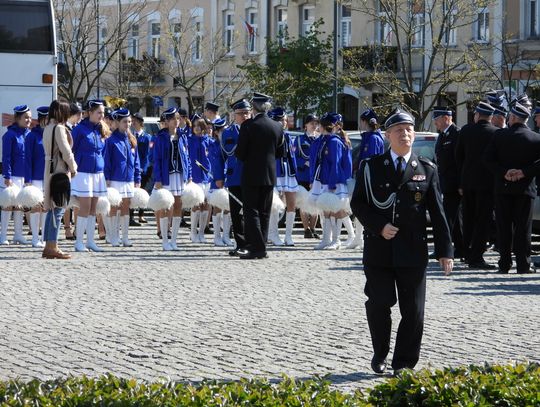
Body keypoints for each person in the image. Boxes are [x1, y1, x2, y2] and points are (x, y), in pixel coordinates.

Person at [350, 109, 453, 375]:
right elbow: (358, 204)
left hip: (413, 250)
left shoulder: (427, 169)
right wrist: (379, 226)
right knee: (379, 303)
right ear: (388, 136)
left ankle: (404, 363)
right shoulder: (371, 167)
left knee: (414, 311)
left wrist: (445, 250)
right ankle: (380, 352)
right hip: (379, 249)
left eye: (408, 130)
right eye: (398, 130)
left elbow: (439, 213)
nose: (405, 134)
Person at [484, 99, 540, 274]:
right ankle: (523, 264)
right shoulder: (536, 138)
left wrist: (504, 172)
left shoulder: (499, 136)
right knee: (523, 228)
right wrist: (524, 172)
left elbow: (487, 160)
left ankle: (504, 263)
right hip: (525, 189)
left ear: (514, 117)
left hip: (503, 188)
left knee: (504, 227)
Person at [235, 92, 284, 259]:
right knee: (265, 212)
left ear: (253, 107)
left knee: (251, 212)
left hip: (251, 174)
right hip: (269, 174)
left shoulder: (248, 126)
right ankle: (260, 245)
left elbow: (240, 153)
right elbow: (280, 152)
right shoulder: (277, 126)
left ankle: (258, 247)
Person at [455, 102, 498, 269]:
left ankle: (467, 253)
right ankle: (477, 256)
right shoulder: (495, 133)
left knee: (468, 219)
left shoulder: (465, 130)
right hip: (487, 184)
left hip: (468, 183)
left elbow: (458, 157)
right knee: (483, 220)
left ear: (477, 115)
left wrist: (461, 180)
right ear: (490, 117)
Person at [71, 99, 108, 252]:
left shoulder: (100, 129)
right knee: (84, 207)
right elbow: (70, 150)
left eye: (103, 113)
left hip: (97, 173)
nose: (102, 115)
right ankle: (79, 241)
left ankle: (90, 241)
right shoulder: (79, 129)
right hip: (82, 173)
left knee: (93, 208)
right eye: (99, 112)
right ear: (90, 113)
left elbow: (102, 152)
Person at [309, 113, 350, 250]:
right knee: (325, 209)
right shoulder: (325, 140)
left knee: (335, 210)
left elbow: (336, 164)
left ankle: (336, 240)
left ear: (324, 126)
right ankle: (326, 239)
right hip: (324, 179)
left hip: (333, 181)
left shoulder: (334, 142)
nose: (318, 127)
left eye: (319, 125)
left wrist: (332, 184)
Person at [42, 100, 77, 259]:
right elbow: (66, 151)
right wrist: (74, 168)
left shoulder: (47, 127)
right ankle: (52, 246)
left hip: (49, 169)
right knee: (59, 208)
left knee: (52, 208)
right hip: (59, 170)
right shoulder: (60, 128)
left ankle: (49, 244)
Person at [153, 107, 192, 251]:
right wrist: (158, 179)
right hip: (166, 176)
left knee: (178, 206)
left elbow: (187, 158)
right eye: (173, 119)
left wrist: (189, 175)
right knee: (165, 206)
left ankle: (174, 240)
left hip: (180, 176)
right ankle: (165, 240)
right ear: (167, 121)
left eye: (178, 118)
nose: (177, 121)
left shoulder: (183, 136)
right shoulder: (160, 138)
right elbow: (156, 160)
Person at [103, 109, 141, 247]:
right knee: (114, 207)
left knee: (126, 207)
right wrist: (107, 179)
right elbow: (107, 161)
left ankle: (125, 237)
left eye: (129, 121)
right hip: (115, 179)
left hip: (129, 179)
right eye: (125, 121)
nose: (128, 124)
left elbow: (136, 161)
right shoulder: (111, 140)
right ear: (117, 122)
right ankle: (113, 236)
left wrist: (137, 178)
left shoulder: (131, 139)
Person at [433, 106, 463, 258]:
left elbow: (460, 161)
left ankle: (443, 249)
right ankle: (460, 248)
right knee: (455, 219)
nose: (435, 123)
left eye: (437, 120)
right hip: (444, 182)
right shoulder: (442, 135)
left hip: (454, 184)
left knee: (447, 218)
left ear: (446, 118)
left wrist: (461, 183)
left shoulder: (456, 134)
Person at [222, 98, 250, 256]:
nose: (245, 116)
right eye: (241, 113)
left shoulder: (255, 130)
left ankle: (252, 243)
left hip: (251, 177)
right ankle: (240, 244)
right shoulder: (228, 132)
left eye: (247, 113)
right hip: (235, 177)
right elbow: (227, 152)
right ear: (234, 115)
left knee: (250, 212)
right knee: (236, 212)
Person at [0, 105, 32, 245]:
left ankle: (18, 234)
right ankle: (3, 235)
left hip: (24, 176)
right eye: (26, 117)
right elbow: (6, 157)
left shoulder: (29, 134)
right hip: (12, 176)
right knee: (8, 205)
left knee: (20, 205)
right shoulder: (9, 135)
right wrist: (7, 176)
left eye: (30, 117)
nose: (29, 120)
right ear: (18, 118)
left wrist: (29, 177)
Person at [268, 107, 298, 247]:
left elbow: (292, 157)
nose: (284, 122)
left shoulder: (288, 136)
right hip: (276, 171)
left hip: (288, 172)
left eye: (284, 120)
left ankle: (288, 236)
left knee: (291, 203)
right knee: (275, 204)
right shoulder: (270, 136)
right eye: (280, 120)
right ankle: (273, 234)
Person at [24, 106, 49, 247]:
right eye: (47, 119)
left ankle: (44, 238)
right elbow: (27, 159)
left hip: (48, 177)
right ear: (41, 120)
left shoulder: (51, 134)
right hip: (35, 177)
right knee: (35, 207)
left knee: (46, 207)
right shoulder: (31, 136)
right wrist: (28, 180)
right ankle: (35, 238)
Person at [208, 118, 233, 247]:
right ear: (216, 132)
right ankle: (217, 236)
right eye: (221, 130)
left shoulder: (229, 143)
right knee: (217, 207)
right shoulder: (213, 145)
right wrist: (219, 178)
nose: (224, 132)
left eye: (225, 129)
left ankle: (226, 236)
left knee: (228, 208)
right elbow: (215, 163)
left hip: (229, 178)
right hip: (218, 179)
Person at [294, 114, 320, 238]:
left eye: (316, 123)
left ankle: (313, 228)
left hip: (316, 176)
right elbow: (294, 156)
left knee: (315, 202)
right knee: (304, 202)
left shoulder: (320, 138)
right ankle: (306, 230)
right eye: (311, 123)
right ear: (306, 125)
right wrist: (303, 162)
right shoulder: (299, 139)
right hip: (303, 175)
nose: (314, 125)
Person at [188, 117, 213, 243]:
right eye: (194, 126)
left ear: (203, 127)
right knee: (196, 205)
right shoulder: (189, 140)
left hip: (207, 178)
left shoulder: (209, 141)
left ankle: (202, 233)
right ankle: (193, 232)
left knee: (206, 205)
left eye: (199, 126)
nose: (196, 128)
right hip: (194, 177)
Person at [63, 102, 83, 240]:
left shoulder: (78, 128)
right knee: (67, 201)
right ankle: (67, 228)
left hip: (78, 168)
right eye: (79, 114)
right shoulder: (63, 128)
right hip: (67, 167)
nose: (80, 117)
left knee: (78, 200)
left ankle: (77, 227)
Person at [132, 112, 152, 224]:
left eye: (135, 121)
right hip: (133, 168)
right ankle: (131, 216)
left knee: (142, 192)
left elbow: (147, 155)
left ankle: (141, 215)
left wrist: (143, 168)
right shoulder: (131, 136)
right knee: (132, 192)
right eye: (132, 121)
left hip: (143, 169)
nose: (133, 123)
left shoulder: (147, 137)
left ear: (140, 122)